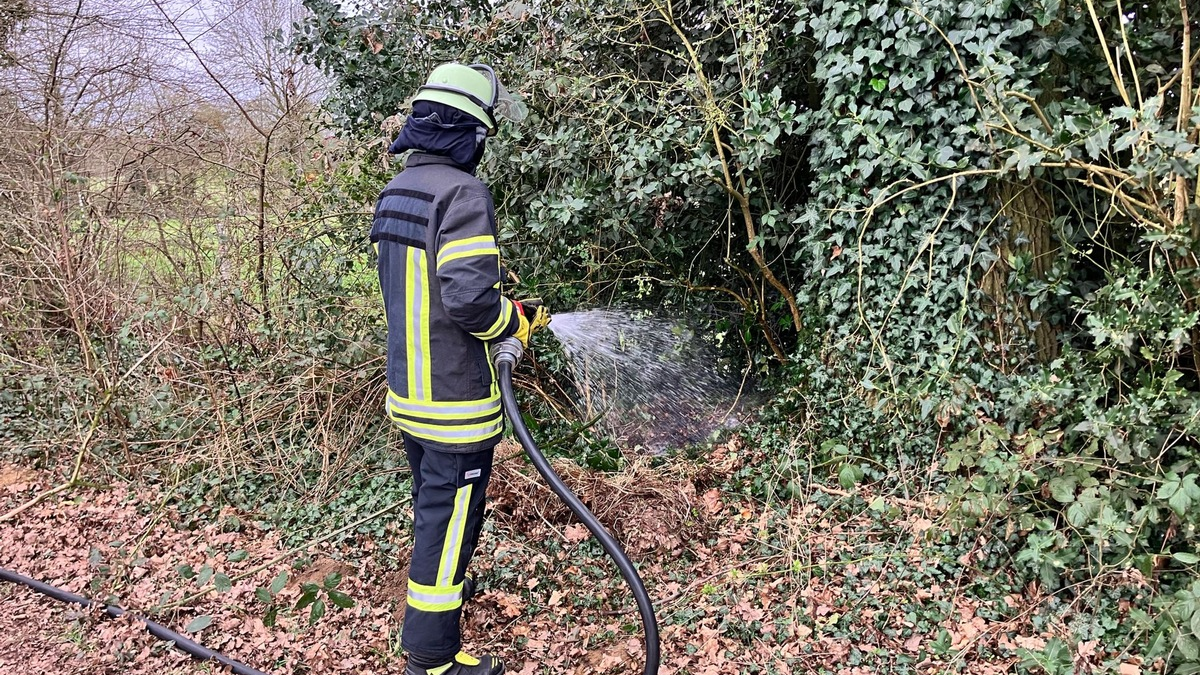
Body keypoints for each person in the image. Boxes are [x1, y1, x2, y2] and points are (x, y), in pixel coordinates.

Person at [370, 62, 550, 675]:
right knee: (448, 522)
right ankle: (432, 657)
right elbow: (471, 301)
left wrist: (506, 309)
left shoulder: (399, 190)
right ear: (466, 134)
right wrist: (513, 325)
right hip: (455, 405)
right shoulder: (463, 193)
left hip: (409, 393)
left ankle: (441, 599)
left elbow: (429, 288)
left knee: (436, 507)